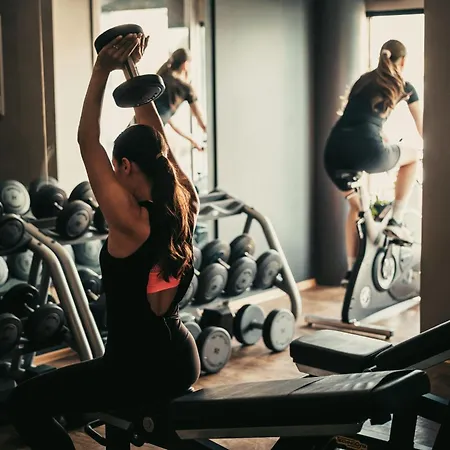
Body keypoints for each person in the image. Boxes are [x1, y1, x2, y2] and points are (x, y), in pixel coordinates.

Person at [6, 32, 201, 450]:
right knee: (98, 392)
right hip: (181, 359)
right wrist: (130, 68)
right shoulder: (185, 201)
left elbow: (86, 141)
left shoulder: (130, 220)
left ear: (125, 166)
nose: (110, 176)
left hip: (136, 371)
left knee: (23, 403)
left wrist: (101, 70)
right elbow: (159, 142)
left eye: (114, 169)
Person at [324, 39, 423, 286]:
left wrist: (380, 135)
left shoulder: (363, 81)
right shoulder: (404, 85)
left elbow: (359, 118)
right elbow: (423, 128)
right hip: (367, 151)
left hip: (334, 152)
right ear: (403, 61)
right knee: (413, 158)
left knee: (357, 207)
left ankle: (350, 272)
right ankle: (396, 220)